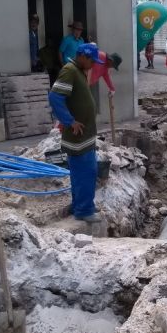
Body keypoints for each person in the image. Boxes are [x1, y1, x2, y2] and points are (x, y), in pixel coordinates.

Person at [47, 43, 103, 223]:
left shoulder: (78, 70)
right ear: (83, 56)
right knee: (86, 172)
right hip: (78, 137)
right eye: (91, 61)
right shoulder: (70, 70)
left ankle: (80, 203)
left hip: (84, 136)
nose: (93, 65)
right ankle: (84, 210)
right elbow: (55, 97)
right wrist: (69, 121)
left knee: (81, 172)